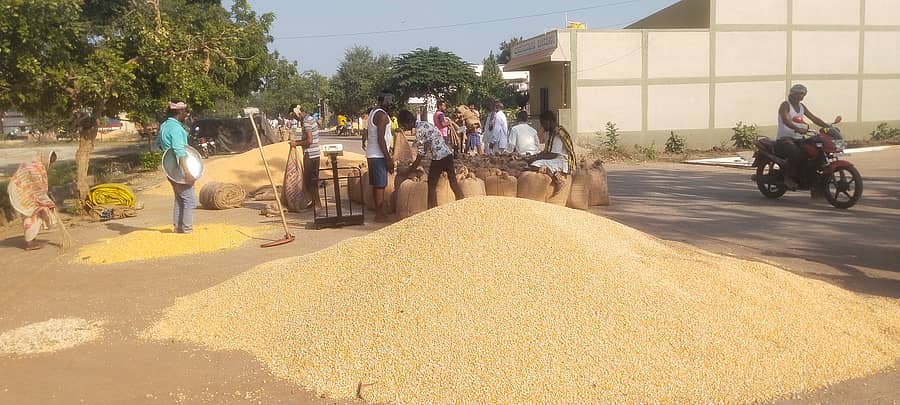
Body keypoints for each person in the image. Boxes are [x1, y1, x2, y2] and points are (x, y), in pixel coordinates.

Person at [398, 110, 463, 209]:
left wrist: (412, 168)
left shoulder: (419, 130)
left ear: (409, 122)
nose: (405, 128)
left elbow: (421, 153)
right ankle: (462, 202)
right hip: (447, 154)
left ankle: (432, 209)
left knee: (431, 185)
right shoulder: (425, 123)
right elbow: (427, 145)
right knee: (453, 182)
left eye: (404, 125)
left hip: (438, 158)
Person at [776, 84, 833, 189]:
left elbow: (814, 118)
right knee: (796, 153)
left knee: (813, 151)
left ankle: (810, 177)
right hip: (785, 139)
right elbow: (786, 120)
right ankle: (788, 178)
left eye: (803, 94)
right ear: (793, 94)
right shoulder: (785, 105)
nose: (801, 96)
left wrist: (828, 126)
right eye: (799, 93)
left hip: (799, 139)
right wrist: (796, 128)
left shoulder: (802, 106)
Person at [156, 100, 196, 234]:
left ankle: (178, 228)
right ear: (180, 111)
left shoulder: (164, 125)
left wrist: (168, 156)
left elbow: (158, 144)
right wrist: (187, 172)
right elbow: (179, 151)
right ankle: (187, 229)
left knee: (180, 199)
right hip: (179, 167)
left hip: (169, 168)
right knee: (189, 199)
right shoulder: (176, 128)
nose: (186, 114)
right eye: (185, 111)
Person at [7, 151, 58, 250]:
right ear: (46, 159)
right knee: (31, 215)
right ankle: (30, 243)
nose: (50, 165)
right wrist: (48, 203)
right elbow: (37, 189)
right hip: (23, 193)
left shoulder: (36, 164)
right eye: (50, 162)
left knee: (37, 213)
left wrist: (46, 202)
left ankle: (32, 239)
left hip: (26, 192)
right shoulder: (35, 168)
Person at [363, 92, 396, 222]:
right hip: (378, 155)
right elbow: (381, 139)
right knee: (380, 185)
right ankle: (379, 214)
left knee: (377, 185)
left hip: (373, 154)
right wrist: (388, 159)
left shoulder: (373, 112)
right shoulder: (381, 115)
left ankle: (379, 211)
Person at [526, 110, 577, 192]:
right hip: (556, 158)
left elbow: (553, 155)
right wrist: (534, 156)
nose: (542, 126)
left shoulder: (557, 134)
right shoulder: (552, 133)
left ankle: (558, 179)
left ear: (548, 122)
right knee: (535, 161)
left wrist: (535, 158)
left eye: (543, 123)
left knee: (534, 165)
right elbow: (546, 151)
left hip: (562, 160)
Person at [290, 105, 323, 209]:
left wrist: (296, 143)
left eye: (294, 116)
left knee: (310, 181)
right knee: (313, 179)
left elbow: (309, 140)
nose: (295, 118)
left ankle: (317, 203)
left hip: (310, 154)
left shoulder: (306, 121)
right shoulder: (310, 118)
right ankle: (314, 202)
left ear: (298, 113)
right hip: (315, 153)